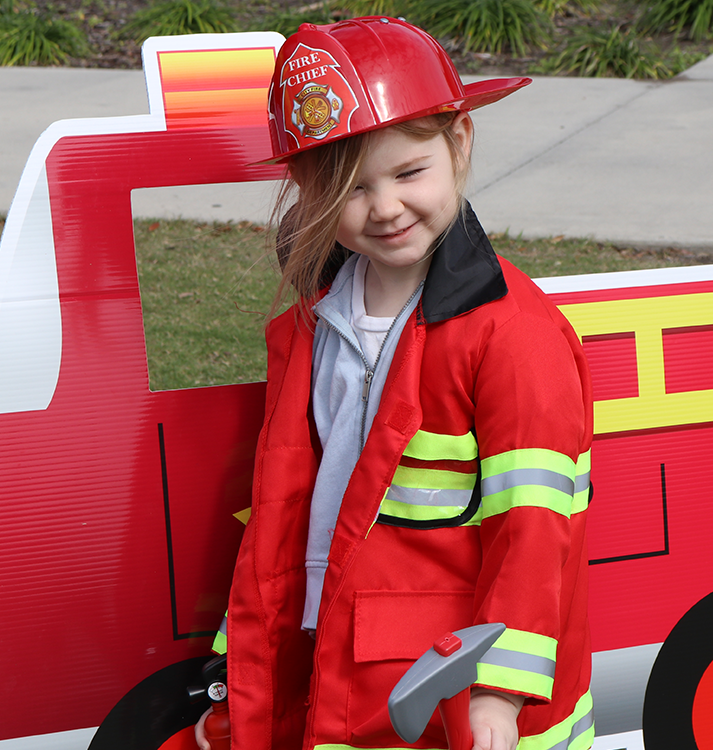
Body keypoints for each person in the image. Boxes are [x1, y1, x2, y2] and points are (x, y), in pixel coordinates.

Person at [209, 17, 595, 750]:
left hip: (444, 687)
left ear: (459, 144)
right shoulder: (314, 323)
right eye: (352, 188)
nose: (384, 207)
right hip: (334, 656)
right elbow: (290, 507)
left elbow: (534, 533)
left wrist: (499, 695)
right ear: (309, 189)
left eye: (409, 173)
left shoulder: (512, 337)